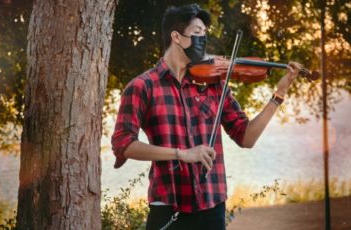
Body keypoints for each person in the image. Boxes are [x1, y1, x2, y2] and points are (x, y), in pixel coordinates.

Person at [111, 3, 302, 230]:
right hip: (169, 207)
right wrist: (181, 154)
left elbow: (247, 138)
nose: (203, 40)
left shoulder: (214, 83)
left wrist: (278, 96)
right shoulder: (143, 86)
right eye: (197, 33)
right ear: (177, 37)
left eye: (205, 34)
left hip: (212, 206)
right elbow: (123, 144)